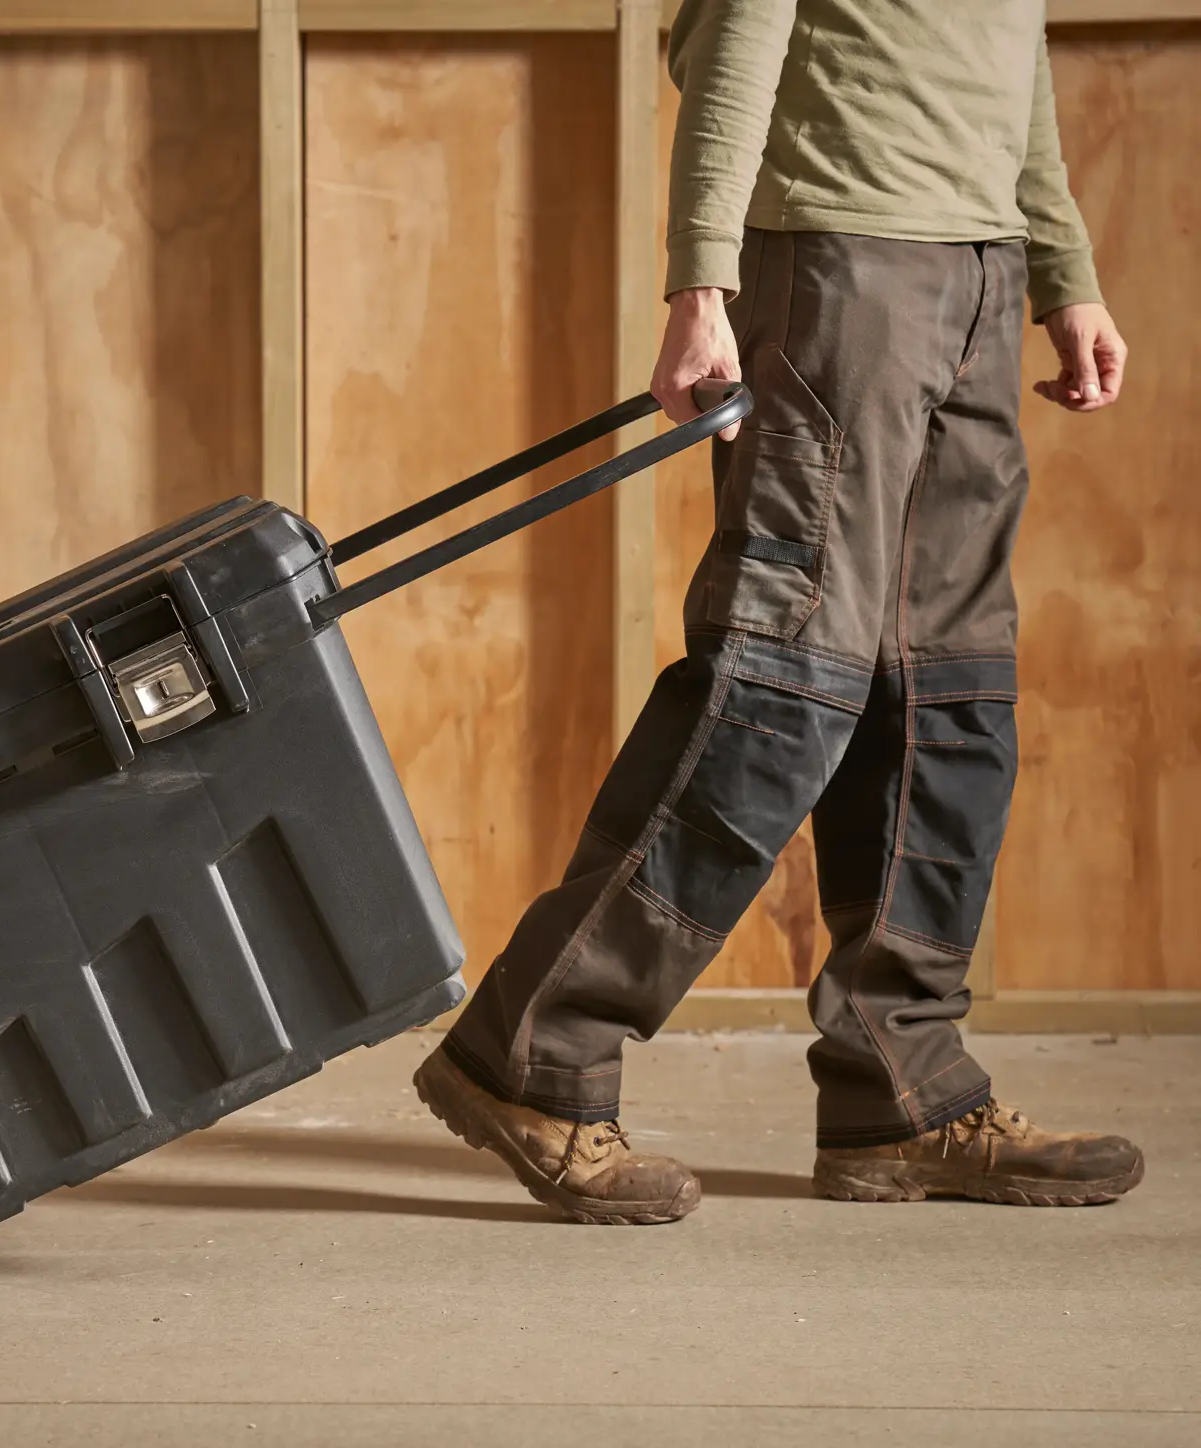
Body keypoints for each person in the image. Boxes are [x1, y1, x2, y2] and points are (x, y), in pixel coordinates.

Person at [414, 0, 1144, 1223]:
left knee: (946, 693)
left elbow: (1016, 57)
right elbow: (735, 36)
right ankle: (534, 1050)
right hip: (837, 260)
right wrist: (701, 280)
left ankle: (900, 1084)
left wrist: (1061, 270)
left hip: (982, 269)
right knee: (782, 683)